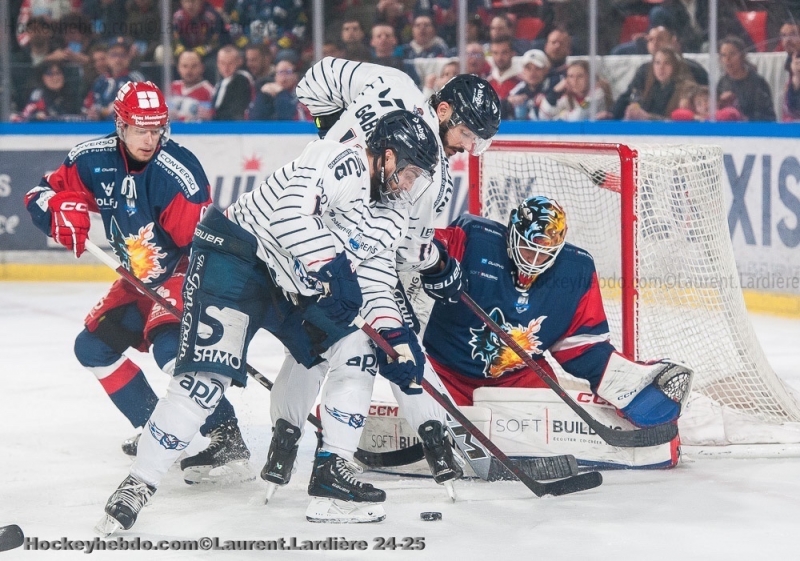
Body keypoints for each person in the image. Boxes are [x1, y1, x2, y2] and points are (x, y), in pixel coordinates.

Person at [96, 109, 440, 532]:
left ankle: (332, 472)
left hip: (292, 281)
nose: (410, 185)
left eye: (418, 178)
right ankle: (139, 482)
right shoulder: (338, 158)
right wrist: (334, 268)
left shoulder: (393, 212)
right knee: (204, 382)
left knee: (358, 349)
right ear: (386, 156)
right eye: (409, 171)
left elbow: (376, 278)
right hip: (236, 257)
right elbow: (289, 217)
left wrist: (395, 335)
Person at [264, 58, 500, 504]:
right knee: (385, 342)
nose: (468, 148)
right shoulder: (430, 174)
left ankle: (284, 441)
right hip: (347, 257)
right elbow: (409, 250)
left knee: (313, 343)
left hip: (295, 226)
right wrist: (437, 266)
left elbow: (314, 78)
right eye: (468, 135)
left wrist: (332, 133)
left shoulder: (391, 81)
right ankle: (434, 442)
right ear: (445, 111)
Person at [23, 81, 248, 483]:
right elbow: (40, 194)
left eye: (157, 129)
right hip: (138, 276)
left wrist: (208, 301)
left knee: (172, 353)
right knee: (91, 347)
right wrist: (58, 211)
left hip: (184, 269)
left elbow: (203, 248)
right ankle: (153, 426)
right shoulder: (90, 159)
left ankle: (226, 435)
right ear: (120, 125)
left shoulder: (178, 174)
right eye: (140, 129)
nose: (150, 138)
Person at [420, 196, 693, 431]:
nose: (535, 261)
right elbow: (421, 246)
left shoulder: (575, 271)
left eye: (545, 253)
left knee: (555, 427)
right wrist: (436, 264)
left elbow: (581, 345)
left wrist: (620, 380)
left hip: (518, 380)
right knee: (427, 419)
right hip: (444, 373)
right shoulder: (475, 240)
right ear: (512, 233)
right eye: (528, 249)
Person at [621, 47, 695, 121]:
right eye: (657, 63)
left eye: (667, 63)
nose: (661, 68)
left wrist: (648, 117)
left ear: (675, 66)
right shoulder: (649, 85)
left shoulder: (687, 89)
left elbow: (682, 123)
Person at [717, 35, 776, 122]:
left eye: (732, 54)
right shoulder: (722, 82)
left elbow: (766, 116)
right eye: (723, 55)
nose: (727, 59)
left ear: (742, 56)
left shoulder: (757, 82)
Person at [539, 60, 613, 121]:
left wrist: (562, 115)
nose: (575, 81)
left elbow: (580, 114)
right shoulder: (568, 98)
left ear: (589, 78)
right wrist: (555, 91)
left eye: (580, 76)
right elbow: (544, 115)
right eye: (571, 76)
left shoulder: (598, 93)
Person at [13, 61, 82, 122]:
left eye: (58, 73)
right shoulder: (38, 95)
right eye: (49, 74)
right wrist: (36, 116)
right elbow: (24, 117)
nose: (55, 78)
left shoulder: (72, 95)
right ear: (42, 77)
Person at [169, 50, 215, 122]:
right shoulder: (172, 87)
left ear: (202, 67)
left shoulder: (210, 91)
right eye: (185, 66)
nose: (189, 71)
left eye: (194, 66)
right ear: (178, 68)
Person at [211, 45, 254, 120]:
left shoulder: (242, 79)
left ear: (239, 62)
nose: (226, 67)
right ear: (217, 63)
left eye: (230, 63)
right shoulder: (220, 83)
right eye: (222, 63)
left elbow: (237, 111)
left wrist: (212, 115)